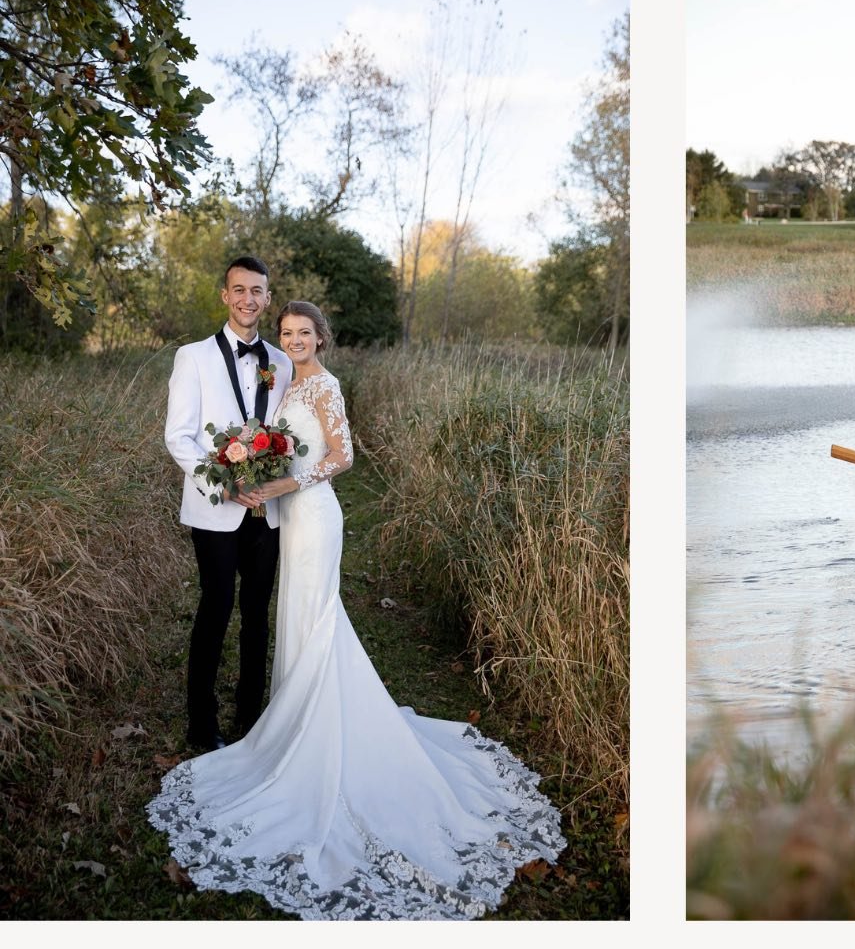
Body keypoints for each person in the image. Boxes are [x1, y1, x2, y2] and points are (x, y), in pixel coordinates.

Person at [147, 301, 565, 919]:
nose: (294, 341)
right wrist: (257, 467)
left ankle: (317, 736)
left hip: (314, 517)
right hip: (290, 520)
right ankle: (292, 724)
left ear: (322, 337)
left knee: (315, 620)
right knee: (299, 618)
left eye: (304, 333)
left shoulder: (326, 385)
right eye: (287, 333)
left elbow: (342, 456)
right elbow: (279, 443)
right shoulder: (288, 380)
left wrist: (283, 484)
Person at [163, 257, 294, 752]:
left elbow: (288, 432)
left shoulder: (281, 362)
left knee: (258, 613)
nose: (247, 299)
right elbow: (178, 437)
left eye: (256, 291)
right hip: (215, 509)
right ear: (225, 296)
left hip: (267, 510)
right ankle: (202, 723)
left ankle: (251, 715)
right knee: (215, 608)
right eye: (238, 290)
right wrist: (222, 484)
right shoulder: (192, 357)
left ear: (266, 296)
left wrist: (271, 481)